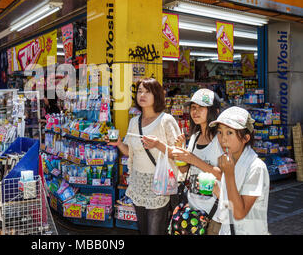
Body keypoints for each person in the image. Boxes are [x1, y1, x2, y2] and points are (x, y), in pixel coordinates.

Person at [107, 78, 181, 235]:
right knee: (143, 229)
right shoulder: (134, 122)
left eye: (148, 92)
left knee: (155, 230)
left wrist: (158, 145)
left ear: (157, 95)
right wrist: (119, 143)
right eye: (140, 91)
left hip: (159, 183)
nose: (142, 95)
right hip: (138, 183)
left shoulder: (166, 120)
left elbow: (179, 155)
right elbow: (130, 151)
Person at [171, 89, 224, 235]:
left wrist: (192, 158)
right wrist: (180, 152)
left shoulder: (220, 139)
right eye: (193, 107)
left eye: (201, 108)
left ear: (214, 110)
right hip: (192, 210)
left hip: (214, 213)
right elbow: (185, 171)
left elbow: (223, 175)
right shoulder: (194, 137)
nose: (195, 111)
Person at [209, 106, 270, 235]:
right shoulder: (231, 161)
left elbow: (239, 213)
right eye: (220, 132)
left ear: (245, 138)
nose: (223, 138)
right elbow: (231, 202)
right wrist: (218, 191)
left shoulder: (256, 167)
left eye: (229, 132)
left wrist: (229, 175)